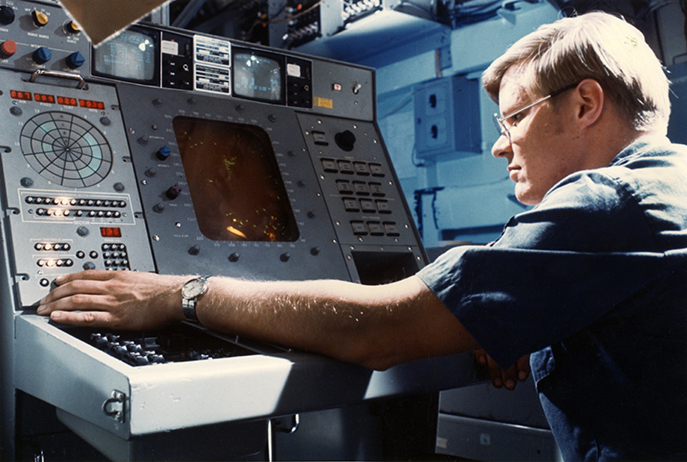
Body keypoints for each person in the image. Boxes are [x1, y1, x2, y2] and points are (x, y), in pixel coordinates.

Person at [37, 11, 687, 461]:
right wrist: (508, 322)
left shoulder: (608, 200)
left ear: (583, 103)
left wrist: (181, 293)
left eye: (514, 116)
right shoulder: (665, 183)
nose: (497, 143)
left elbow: (376, 333)